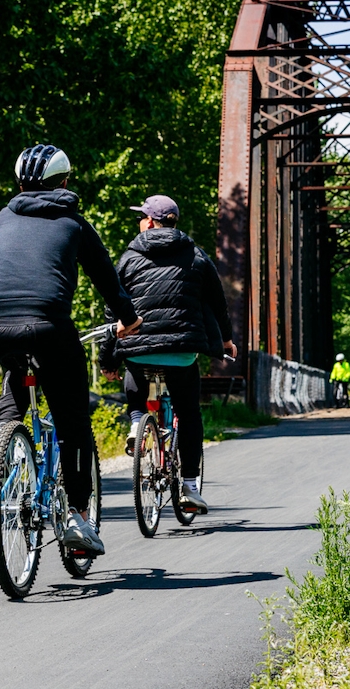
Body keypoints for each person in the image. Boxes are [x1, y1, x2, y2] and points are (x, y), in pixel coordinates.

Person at [0, 144, 142, 556]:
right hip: (49, 326)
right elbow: (107, 279)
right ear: (64, 182)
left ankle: (3, 435)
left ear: (19, 184)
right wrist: (129, 318)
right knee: (72, 422)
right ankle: (78, 518)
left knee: (17, 365)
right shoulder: (73, 224)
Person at [99, 194, 236, 515]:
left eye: (141, 218)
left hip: (138, 349)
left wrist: (109, 357)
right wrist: (226, 341)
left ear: (149, 222)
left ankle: (136, 422)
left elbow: (112, 313)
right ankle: (189, 485)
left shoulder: (130, 258)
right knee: (189, 414)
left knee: (136, 373)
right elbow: (218, 304)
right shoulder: (197, 255)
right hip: (182, 350)